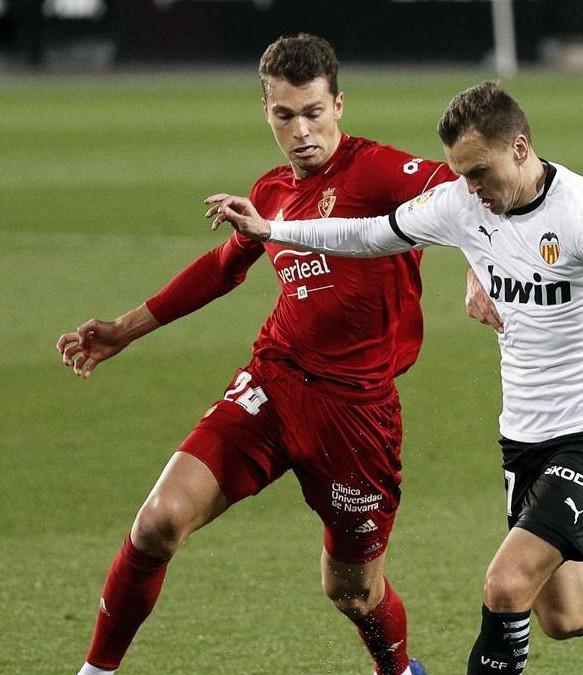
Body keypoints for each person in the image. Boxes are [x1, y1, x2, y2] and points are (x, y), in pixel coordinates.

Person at [208, 80, 583, 675]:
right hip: (525, 434)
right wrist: (274, 230)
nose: (471, 189)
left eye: (479, 172)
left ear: (520, 148)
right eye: (461, 174)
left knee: (506, 585)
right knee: (567, 614)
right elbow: (371, 233)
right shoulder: (462, 203)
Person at [56, 34, 455, 675]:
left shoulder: (378, 170)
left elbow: (471, 198)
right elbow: (222, 268)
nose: (302, 131)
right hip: (272, 383)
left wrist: (478, 275)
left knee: (352, 591)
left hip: (356, 415)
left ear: (339, 105)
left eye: (314, 113)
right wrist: (124, 329)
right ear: (266, 113)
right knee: (158, 522)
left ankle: (401, 670)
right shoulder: (270, 191)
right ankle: (95, 672)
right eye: (284, 115)